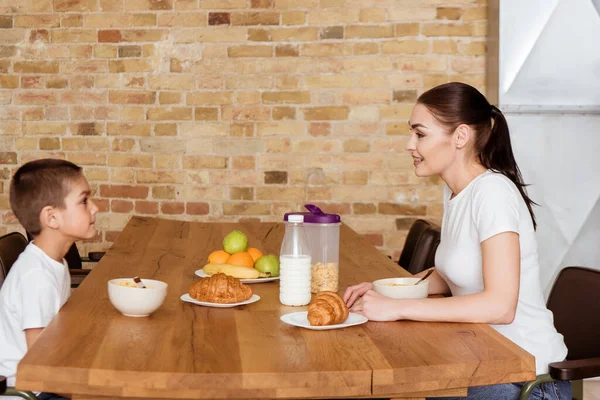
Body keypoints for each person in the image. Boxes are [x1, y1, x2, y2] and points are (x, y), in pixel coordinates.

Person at [344, 83, 570, 400]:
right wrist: (383, 289)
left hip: (523, 380)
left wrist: (397, 309)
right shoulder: (456, 192)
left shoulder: (493, 193)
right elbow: (451, 273)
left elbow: (500, 307)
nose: (409, 145)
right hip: (479, 362)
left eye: (420, 134)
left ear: (460, 137)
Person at [0, 159, 99, 400]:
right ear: (52, 218)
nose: (95, 208)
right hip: (29, 392)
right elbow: (42, 370)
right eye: (84, 201)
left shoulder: (55, 262)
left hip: (46, 378)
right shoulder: (36, 277)